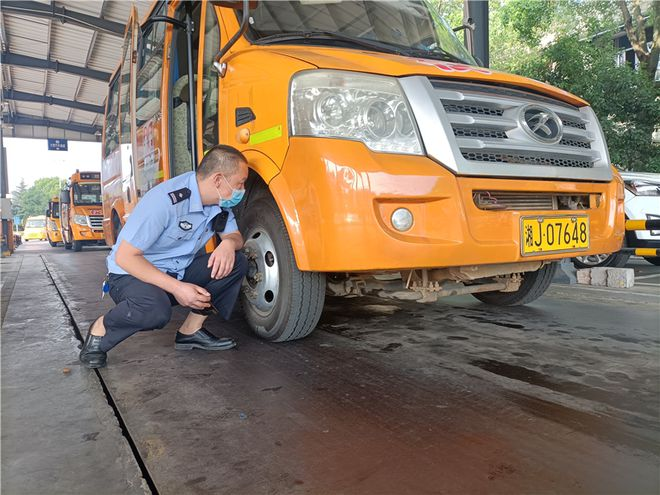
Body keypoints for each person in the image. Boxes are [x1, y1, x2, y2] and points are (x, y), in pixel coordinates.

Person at [79, 145, 250, 369]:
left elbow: (235, 236)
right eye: (240, 183)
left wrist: (228, 243)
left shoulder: (218, 204)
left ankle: (191, 331)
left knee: (236, 261)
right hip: (131, 275)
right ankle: (101, 330)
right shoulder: (166, 201)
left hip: (177, 271)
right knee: (155, 311)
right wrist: (178, 289)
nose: (242, 189)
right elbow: (125, 258)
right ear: (218, 180)